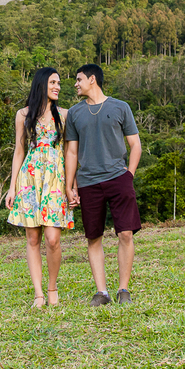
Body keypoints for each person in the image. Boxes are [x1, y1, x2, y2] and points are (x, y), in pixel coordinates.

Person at [64, 63, 142, 306]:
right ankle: (102, 292)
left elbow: (135, 145)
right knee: (93, 236)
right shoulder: (74, 113)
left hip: (119, 178)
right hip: (88, 182)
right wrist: (70, 186)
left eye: (79, 79)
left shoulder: (120, 107)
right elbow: (72, 152)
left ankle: (123, 290)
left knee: (126, 233)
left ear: (92, 79)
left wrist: (129, 174)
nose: (75, 84)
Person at [5, 67, 73, 307]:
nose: (57, 87)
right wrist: (12, 187)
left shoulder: (65, 114)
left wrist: (72, 185)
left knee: (52, 239)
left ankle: (52, 288)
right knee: (33, 239)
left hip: (55, 178)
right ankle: (39, 294)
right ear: (41, 84)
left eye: (59, 83)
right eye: (53, 82)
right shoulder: (23, 114)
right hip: (29, 179)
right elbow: (19, 151)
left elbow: (70, 151)